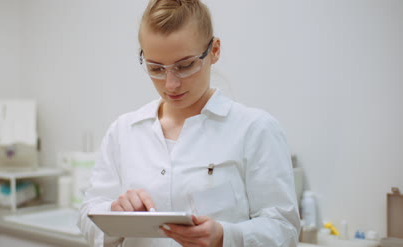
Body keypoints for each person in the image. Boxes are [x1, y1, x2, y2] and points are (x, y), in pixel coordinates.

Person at [78, 0, 300, 246]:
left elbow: (284, 229)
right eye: (156, 68)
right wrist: (114, 213)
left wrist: (224, 237)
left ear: (214, 50)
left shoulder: (255, 130)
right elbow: (87, 217)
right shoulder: (123, 131)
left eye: (185, 66)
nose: (171, 84)